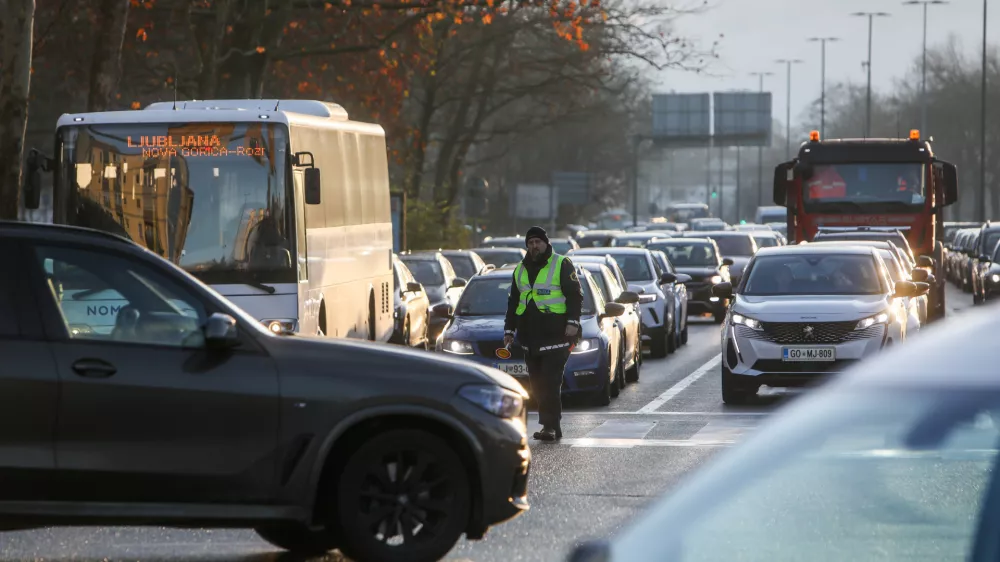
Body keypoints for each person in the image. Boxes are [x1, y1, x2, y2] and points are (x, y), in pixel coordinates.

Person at [504, 226, 583, 442]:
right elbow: (513, 302)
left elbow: (575, 295)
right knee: (537, 385)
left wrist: (573, 323)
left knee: (550, 382)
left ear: (546, 243)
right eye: (530, 243)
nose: (534, 246)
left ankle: (549, 426)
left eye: (538, 242)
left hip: (556, 335)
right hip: (530, 338)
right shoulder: (520, 269)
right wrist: (509, 330)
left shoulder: (561, 264)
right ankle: (550, 426)